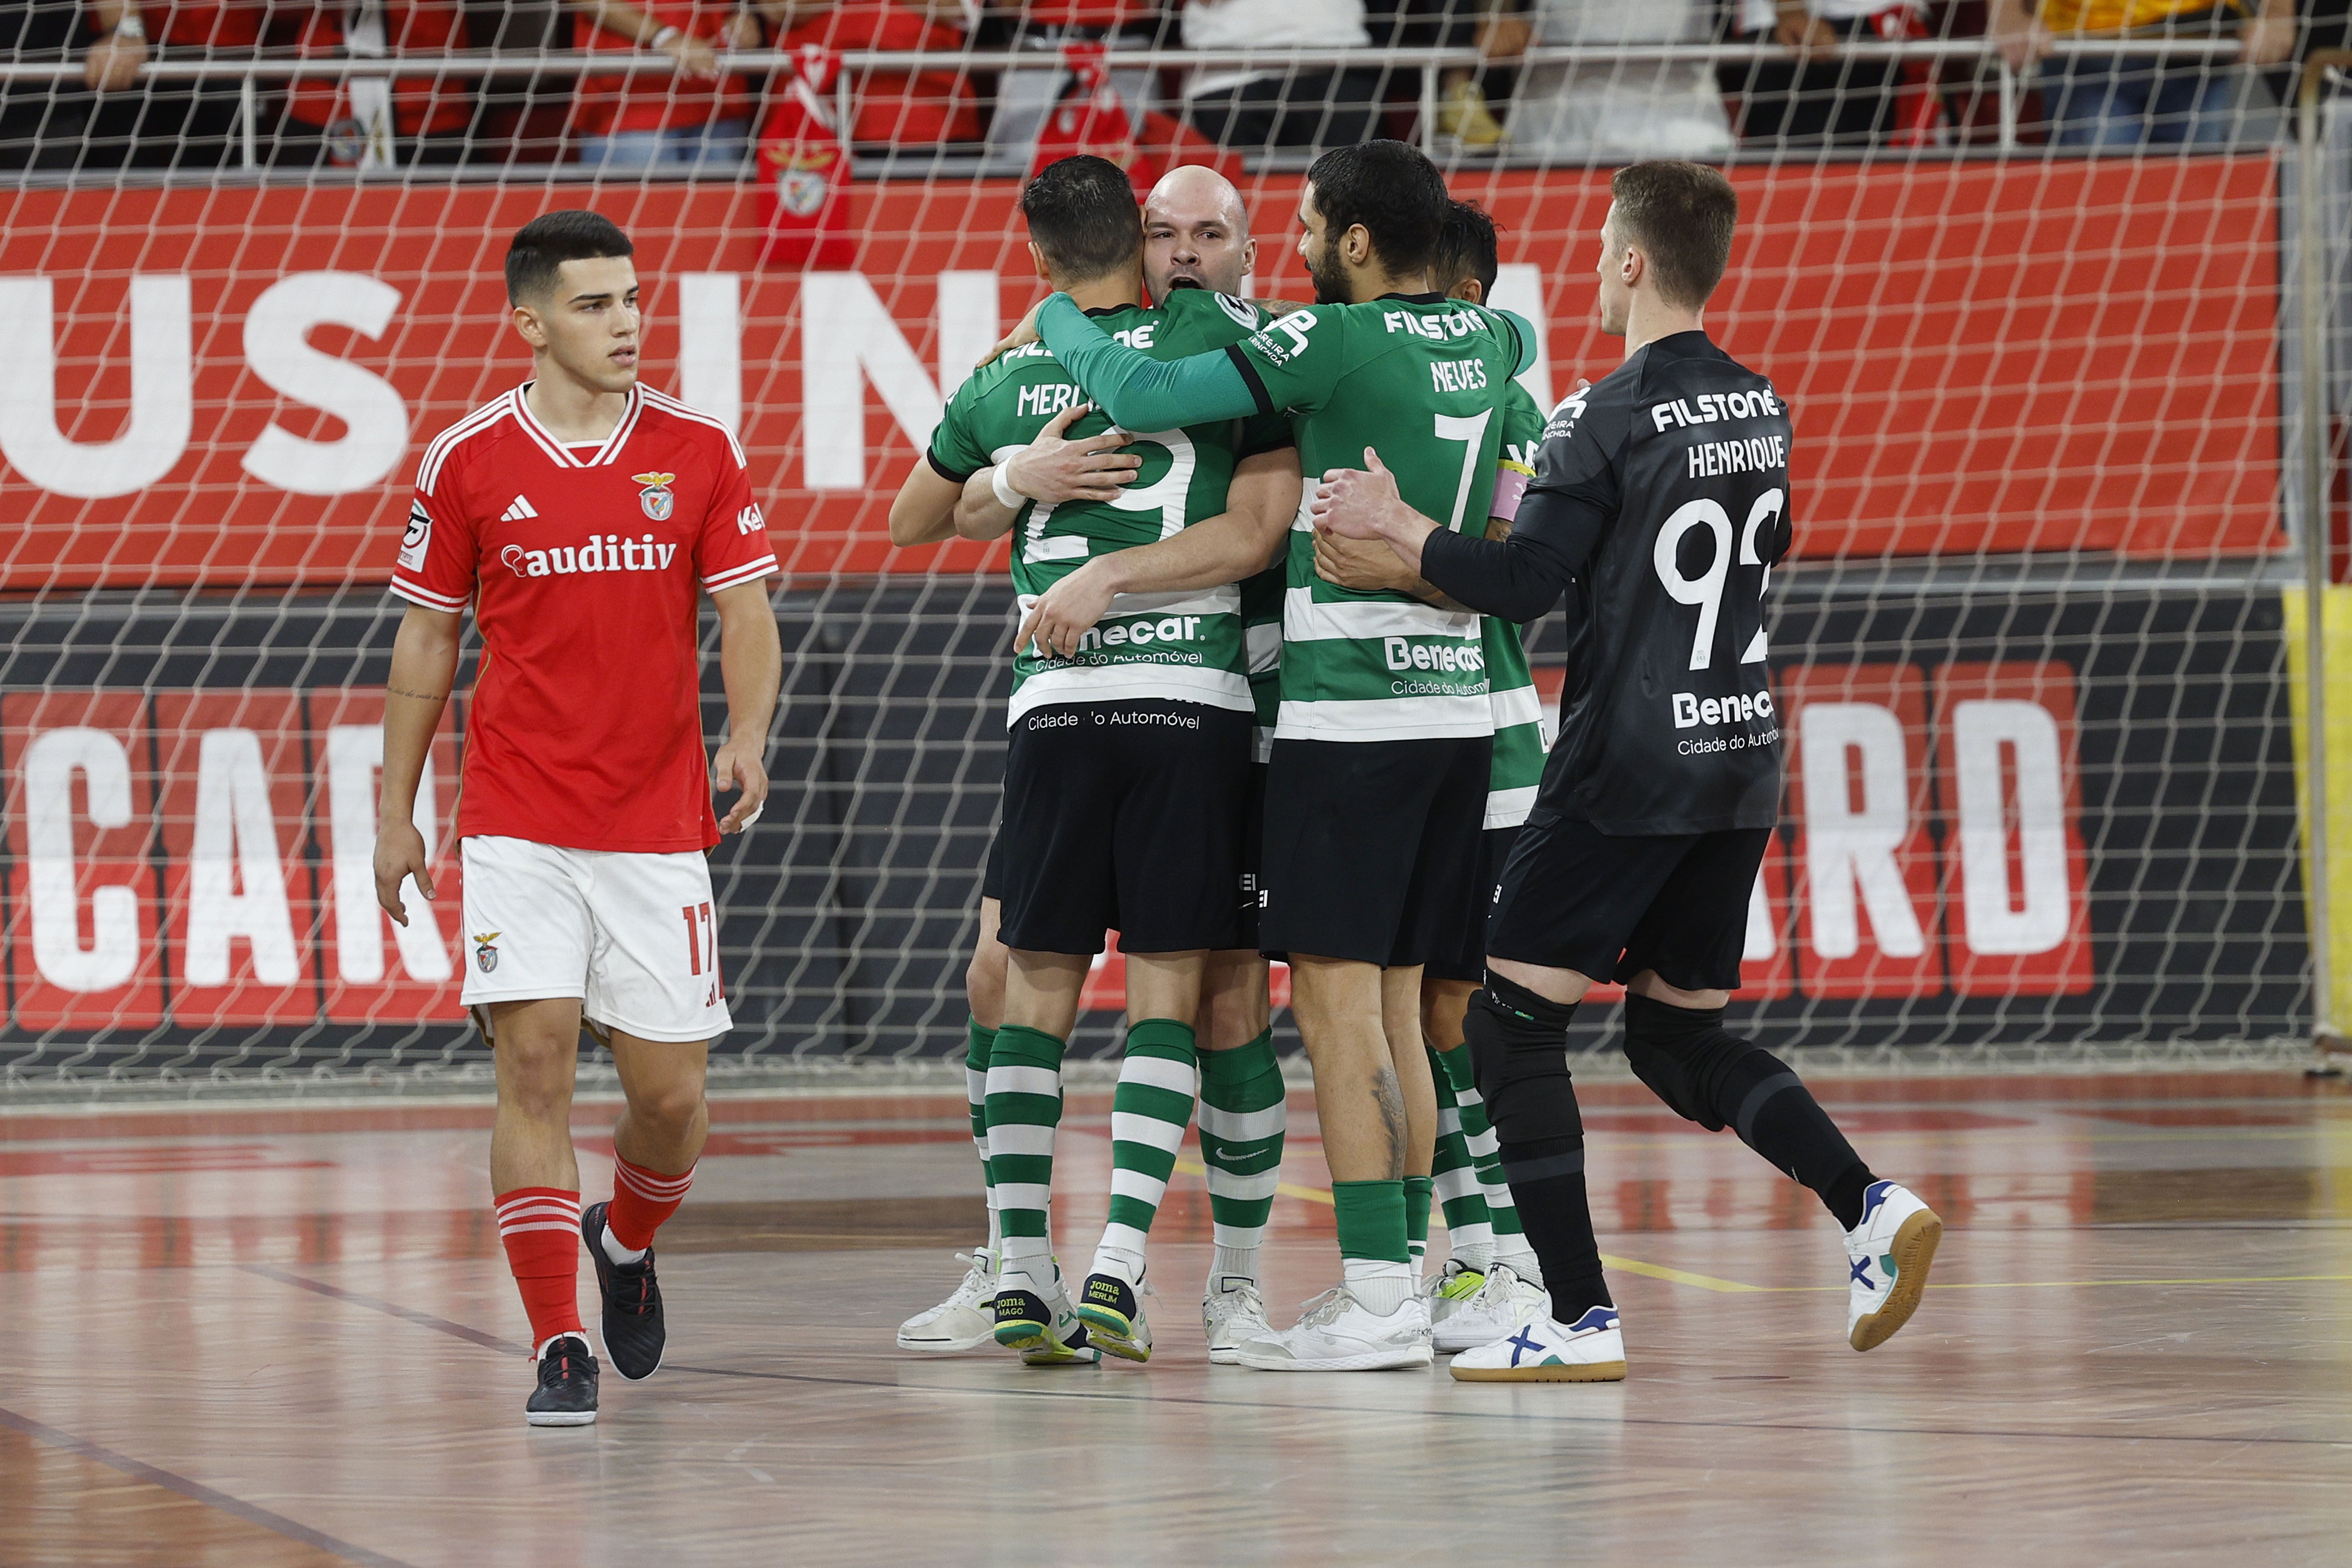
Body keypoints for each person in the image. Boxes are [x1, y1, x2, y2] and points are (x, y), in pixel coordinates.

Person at [1314, 160, 1942, 1383]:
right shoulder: (1760, 404)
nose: (1595, 266)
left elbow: (1518, 586)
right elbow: (1736, 547)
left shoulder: (1595, 415)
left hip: (1625, 766)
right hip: (1736, 758)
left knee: (1507, 1028)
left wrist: (1397, 526)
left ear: (1631, 263)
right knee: (1671, 1038)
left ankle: (1577, 1316)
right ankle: (1868, 1204)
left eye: (1603, 246)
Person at [1018, 139, 1539, 1373]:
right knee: (1407, 1009)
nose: (1298, 249)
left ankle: (1378, 1294)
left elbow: (1144, 393)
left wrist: (1059, 309)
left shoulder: (1334, 340)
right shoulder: (1498, 339)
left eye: (1304, 228)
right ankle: (1438, 1272)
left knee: (1343, 1013)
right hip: (1457, 715)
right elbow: (1511, 529)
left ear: (1353, 243)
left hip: (1347, 719)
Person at [375, 210, 784, 1425]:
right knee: (535, 1059)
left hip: (656, 820)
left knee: (668, 1100)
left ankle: (626, 1239)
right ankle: (558, 1341)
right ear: (531, 322)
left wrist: (746, 732)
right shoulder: (465, 460)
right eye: (596, 305)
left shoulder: (698, 448)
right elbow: (427, 638)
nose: (625, 323)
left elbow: (746, 613)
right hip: (517, 813)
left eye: (633, 300)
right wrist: (397, 811)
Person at [922, 155, 1302, 1366]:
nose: (1184, 253)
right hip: (1167, 702)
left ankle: (1223, 1284)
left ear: (1251, 250)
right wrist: (1009, 476)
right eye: (1163, 232)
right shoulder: (1108, 352)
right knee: (1016, 976)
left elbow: (1258, 532)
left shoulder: (1258, 348)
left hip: (1255, 706)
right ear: (1132, 242)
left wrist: (1085, 558)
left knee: (1225, 1001)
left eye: (1208, 235)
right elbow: (940, 510)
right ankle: (1038, 1263)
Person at [1307, 196, 1551, 1355]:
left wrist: (1400, 563)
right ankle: (1446, 1262)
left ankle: (1501, 1261)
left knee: (1450, 1012)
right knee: (1422, 1008)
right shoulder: (1397, 374)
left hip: (1487, 742)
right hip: (1439, 733)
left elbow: (1507, 573)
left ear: (1465, 301)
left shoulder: (1514, 408)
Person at [1988, 0, 2297, 148]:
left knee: (2195, 207)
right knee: (2097, 206)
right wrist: (2007, 13)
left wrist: (2278, 13)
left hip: (2197, 41)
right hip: (2086, 46)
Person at [569, 0, 759, 171]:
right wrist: (663, 37)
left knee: (719, 201)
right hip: (630, 110)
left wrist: (742, 17)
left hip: (720, 102)